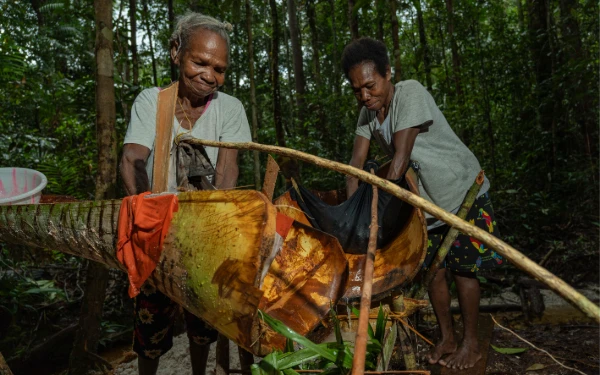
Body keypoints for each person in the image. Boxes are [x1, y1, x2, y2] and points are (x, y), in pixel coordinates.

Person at [341, 38, 502, 370]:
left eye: (370, 86)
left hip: (460, 192)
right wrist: (351, 217)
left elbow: (399, 161)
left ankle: (470, 344)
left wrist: (380, 215)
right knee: (433, 272)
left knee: (463, 270)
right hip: (427, 205)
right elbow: (353, 167)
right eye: (357, 90)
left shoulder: (409, 93)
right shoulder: (367, 113)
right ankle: (448, 338)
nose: (365, 95)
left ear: (388, 74)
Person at [120, 12, 251, 375]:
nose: (210, 75)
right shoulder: (153, 102)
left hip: (204, 235)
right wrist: (148, 223)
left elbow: (227, 171)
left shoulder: (230, 109)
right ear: (176, 52)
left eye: (220, 68)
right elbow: (132, 159)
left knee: (202, 326)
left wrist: (216, 233)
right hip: (156, 232)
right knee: (151, 328)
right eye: (200, 62)